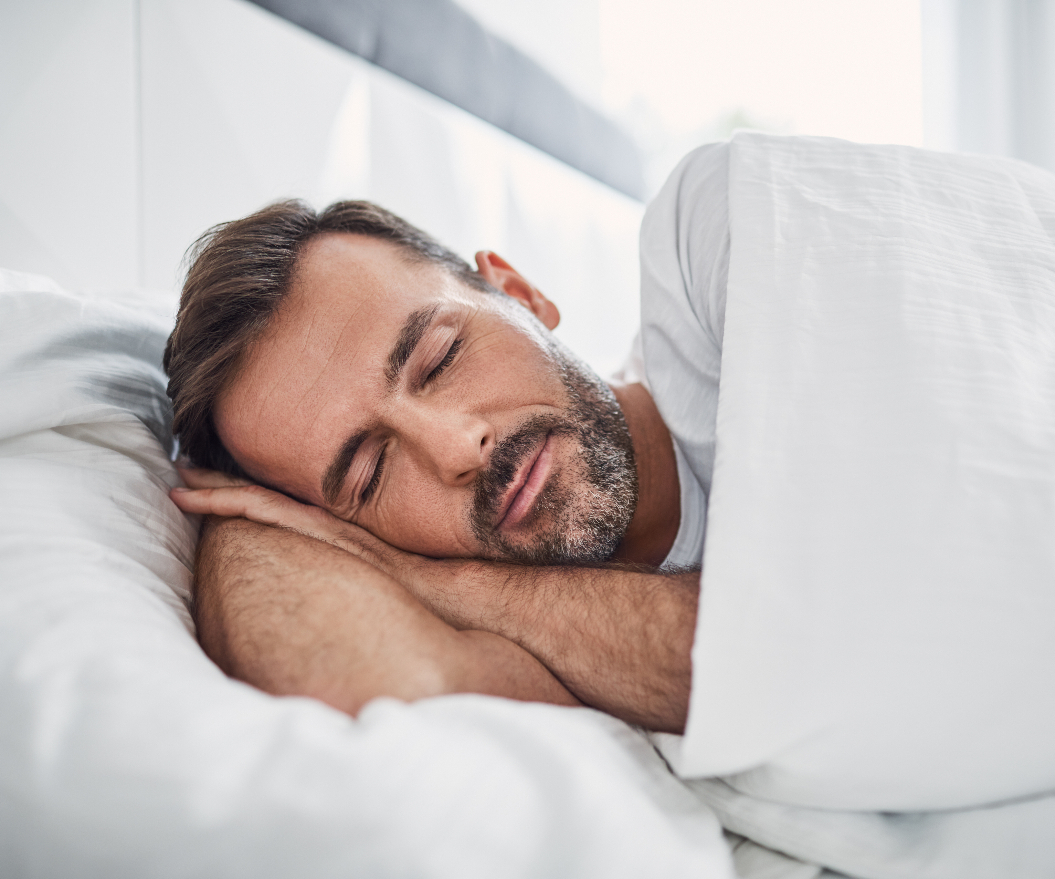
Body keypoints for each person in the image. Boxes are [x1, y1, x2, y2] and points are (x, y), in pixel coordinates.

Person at [165, 145, 732, 734]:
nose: (459, 449)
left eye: (440, 360)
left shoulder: (715, 237)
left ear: (520, 292)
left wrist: (434, 580)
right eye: (370, 474)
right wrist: (261, 523)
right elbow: (370, 684)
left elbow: (797, 655)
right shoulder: (525, 652)